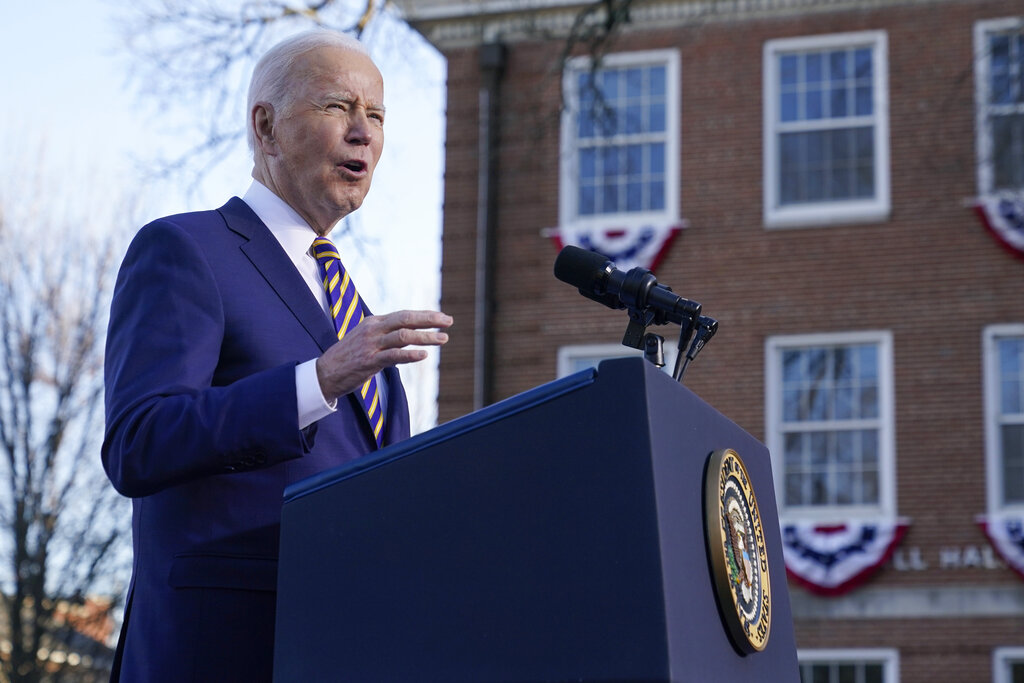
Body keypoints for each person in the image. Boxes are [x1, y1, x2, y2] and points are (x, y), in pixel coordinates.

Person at [101, 30, 452, 681]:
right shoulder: (188, 250)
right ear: (265, 125)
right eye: (337, 108)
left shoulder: (353, 309)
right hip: (220, 652)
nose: (364, 133)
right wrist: (316, 380)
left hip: (341, 651)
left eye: (376, 116)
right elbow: (137, 440)